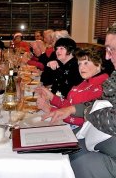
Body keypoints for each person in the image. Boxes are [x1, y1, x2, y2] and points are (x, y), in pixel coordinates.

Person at [48, 22, 116, 178]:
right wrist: (71, 109)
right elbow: (101, 103)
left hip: (105, 137)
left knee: (76, 157)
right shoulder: (109, 78)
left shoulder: (100, 82)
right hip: (97, 132)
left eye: (111, 49)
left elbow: (108, 114)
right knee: (62, 148)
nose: (107, 56)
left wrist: (85, 112)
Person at [36, 48, 109, 126]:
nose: (81, 67)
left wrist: (50, 109)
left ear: (98, 65)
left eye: (86, 63)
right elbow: (70, 104)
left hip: (78, 132)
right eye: (80, 64)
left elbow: (84, 121)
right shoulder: (86, 81)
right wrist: (52, 97)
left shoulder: (101, 88)